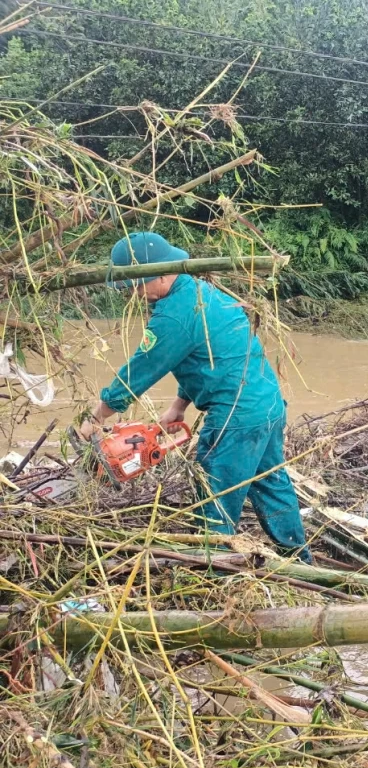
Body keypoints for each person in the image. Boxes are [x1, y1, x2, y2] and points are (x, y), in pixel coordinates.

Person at [80, 232, 311, 562]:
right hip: (267, 405)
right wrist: (178, 405)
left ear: (160, 274)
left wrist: (95, 418)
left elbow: (140, 372)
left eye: (136, 285)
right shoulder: (202, 292)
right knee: (272, 484)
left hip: (235, 417)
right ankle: (301, 560)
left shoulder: (173, 316)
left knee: (214, 497)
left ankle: (217, 573)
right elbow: (208, 359)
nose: (134, 294)